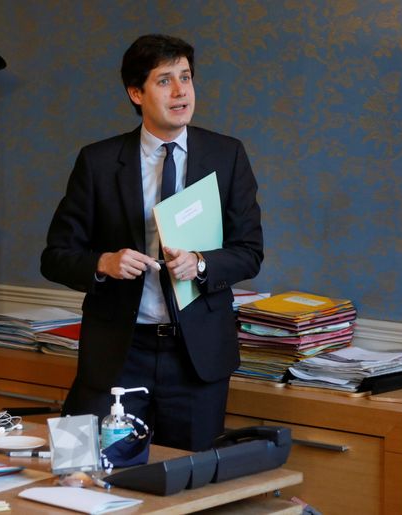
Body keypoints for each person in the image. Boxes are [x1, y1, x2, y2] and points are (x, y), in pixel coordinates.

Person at [40, 34, 263, 451]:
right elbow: (55, 257)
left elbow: (249, 251)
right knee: (93, 470)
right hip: (120, 353)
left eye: (186, 77)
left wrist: (199, 264)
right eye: (165, 81)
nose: (181, 91)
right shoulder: (99, 161)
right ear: (135, 92)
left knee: (188, 480)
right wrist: (103, 263)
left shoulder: (226, 155)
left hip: (196, 355)